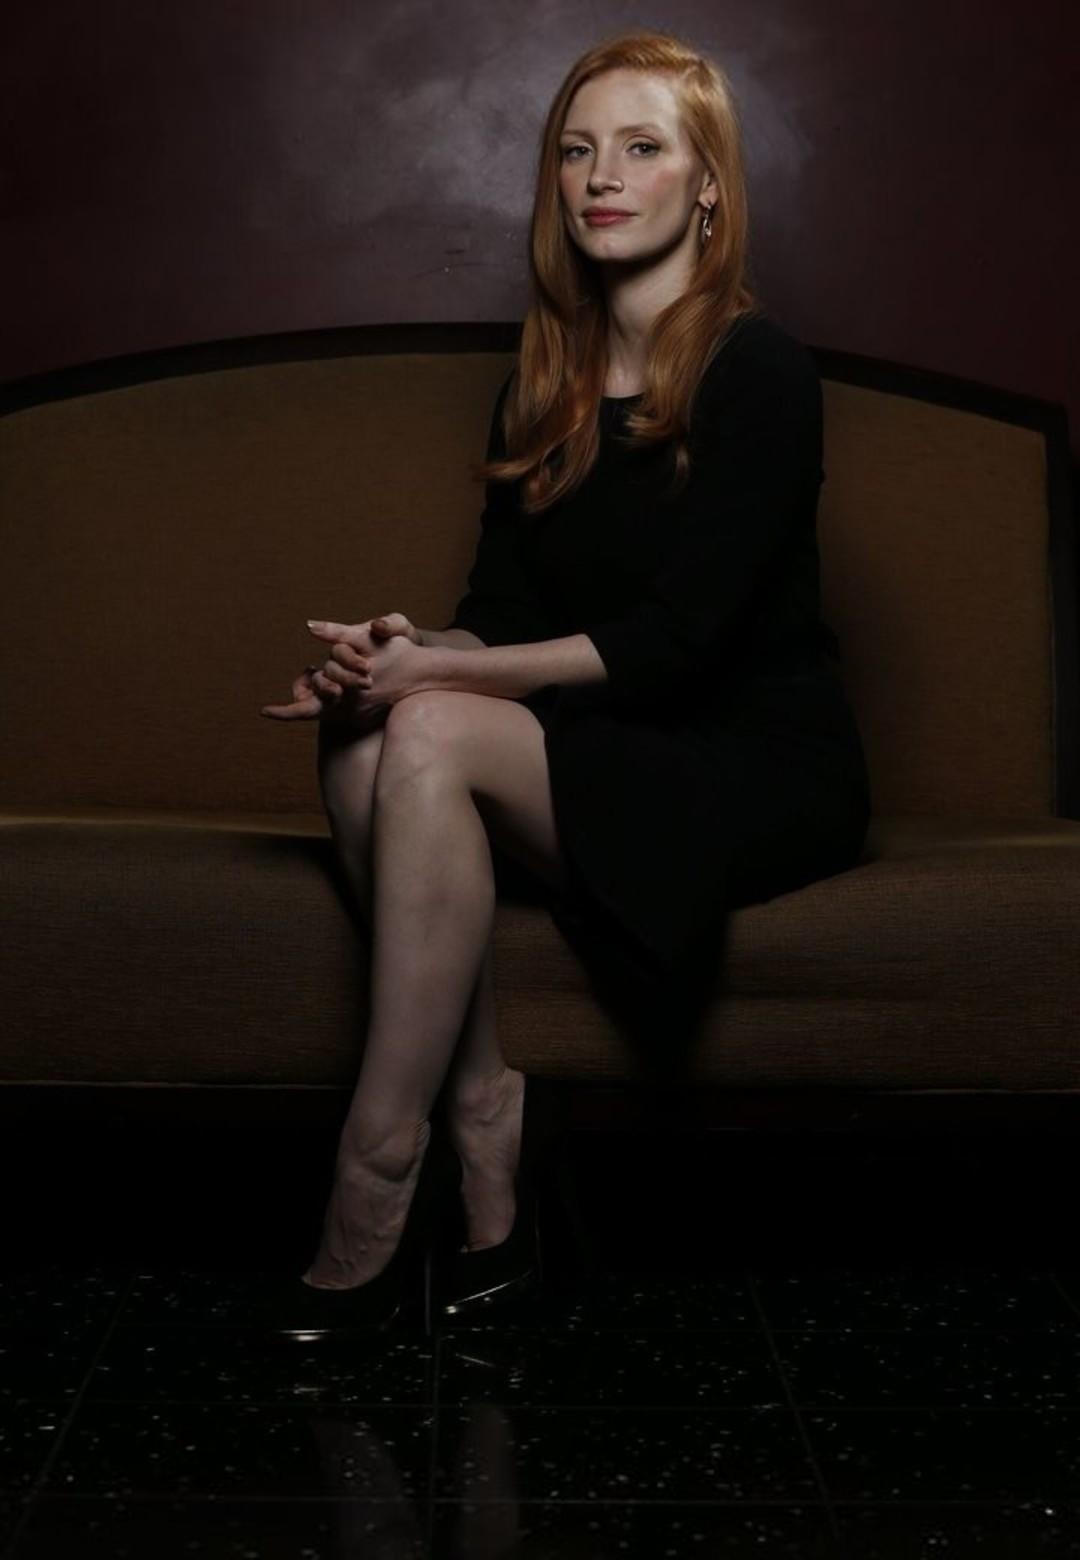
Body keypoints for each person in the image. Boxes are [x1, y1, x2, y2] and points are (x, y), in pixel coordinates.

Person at [260, 30, 872, 1298]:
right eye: (578, 151)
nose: (602, 177)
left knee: (424, 724)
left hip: (751, 759)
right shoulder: (545, 383)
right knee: (369, 730)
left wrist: (436, 687)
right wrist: (405, 652)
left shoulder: (762, 371)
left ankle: (378, 1158)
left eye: (642, 148)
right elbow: (494, 611)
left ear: (708, 185)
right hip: (609, 735)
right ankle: (488, 1105)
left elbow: (680, 644)